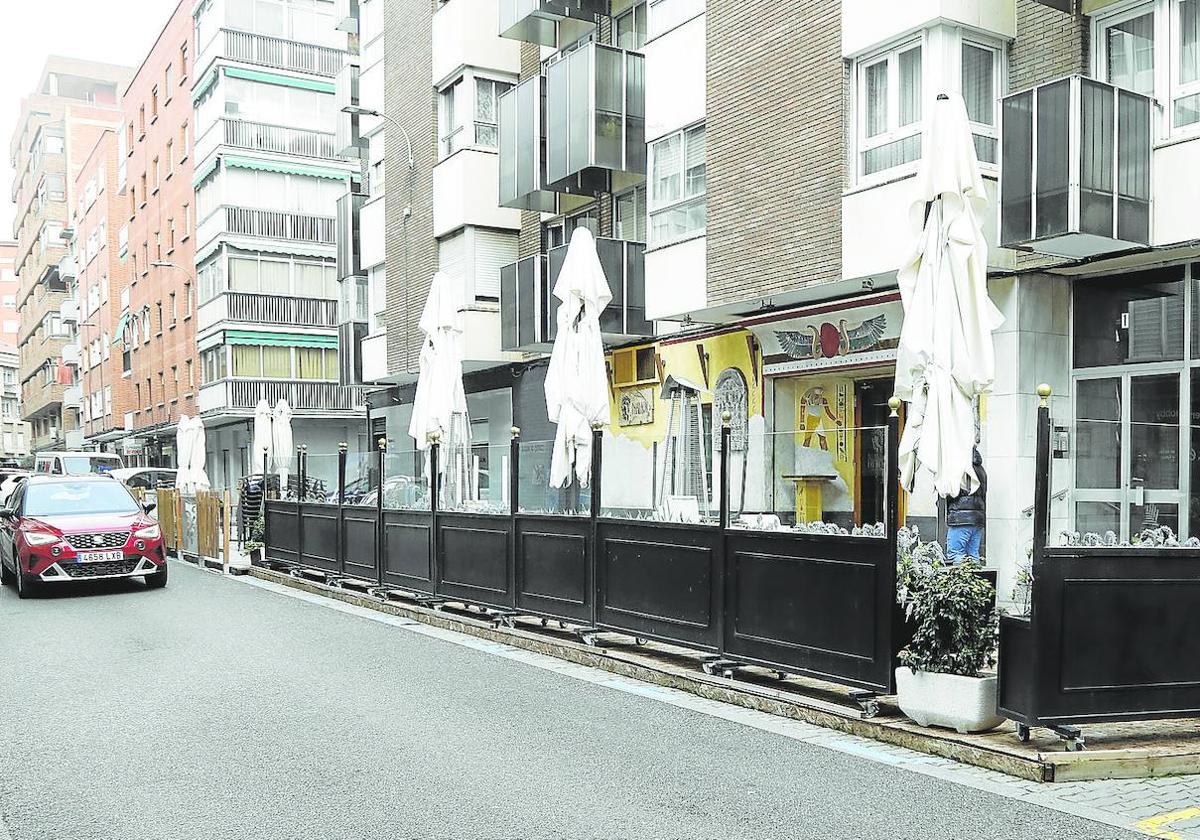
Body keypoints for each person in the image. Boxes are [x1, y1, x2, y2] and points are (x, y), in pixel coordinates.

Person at [945, 448, 986, 562]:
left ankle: (961, 580)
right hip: (977, 519)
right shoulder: (981, 469)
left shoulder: (960, 467)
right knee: (973, 555)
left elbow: (953, 491)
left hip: (961, 519)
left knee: (955, 554)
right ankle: (976, 579)